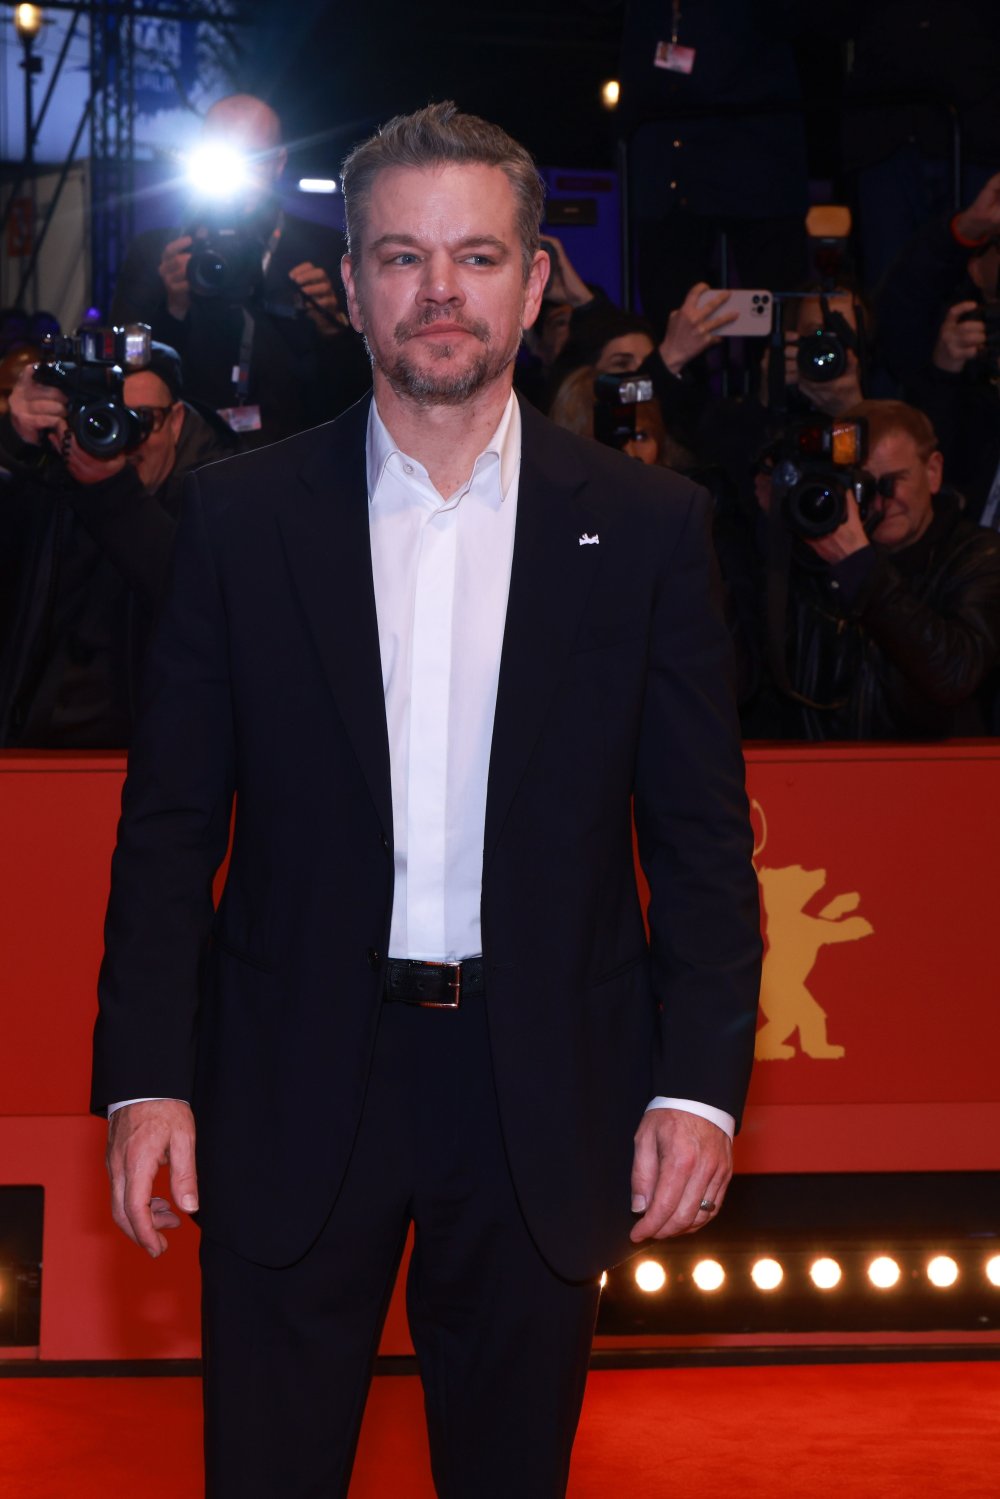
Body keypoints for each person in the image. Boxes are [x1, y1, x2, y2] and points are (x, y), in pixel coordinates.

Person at [92, 103, 762, 1498]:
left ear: (534, 281)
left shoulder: (648, 529)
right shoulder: (242, 518)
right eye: (402, 256)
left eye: (476, 256)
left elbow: (700, 839)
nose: (439, 290)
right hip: (287, 1075)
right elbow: (167, 829)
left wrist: (698, 1083)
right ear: (353, 285)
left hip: (542, 1089)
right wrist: (147, 1075)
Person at [0, 342, 235, 746]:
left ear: (176, 421)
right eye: (103, 416)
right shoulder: (51, 479)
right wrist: (12, 444)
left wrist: (112, 492)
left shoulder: (221, 495)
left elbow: (199, 601)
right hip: (30, 753)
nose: (124, 439)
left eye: (141, 419)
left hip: (151, 758)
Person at [111, 93, 371, 443]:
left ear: (278, 162)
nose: (238, 174)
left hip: (299, 447)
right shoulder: (159, 252)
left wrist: (332, 327)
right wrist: (173, 309)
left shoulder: (327, 250)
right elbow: (124, 372)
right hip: (190, 453)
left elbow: (364, 384)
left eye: (253, 157)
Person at [756, 399, 1000, 739]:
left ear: (932, 472)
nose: (881, 501)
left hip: (933, 766)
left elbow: (954, 675)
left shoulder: (979, 555)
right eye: (862, 485)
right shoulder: (811, 555)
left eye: (895, 480)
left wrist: (859, 567)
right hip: (819, 764)